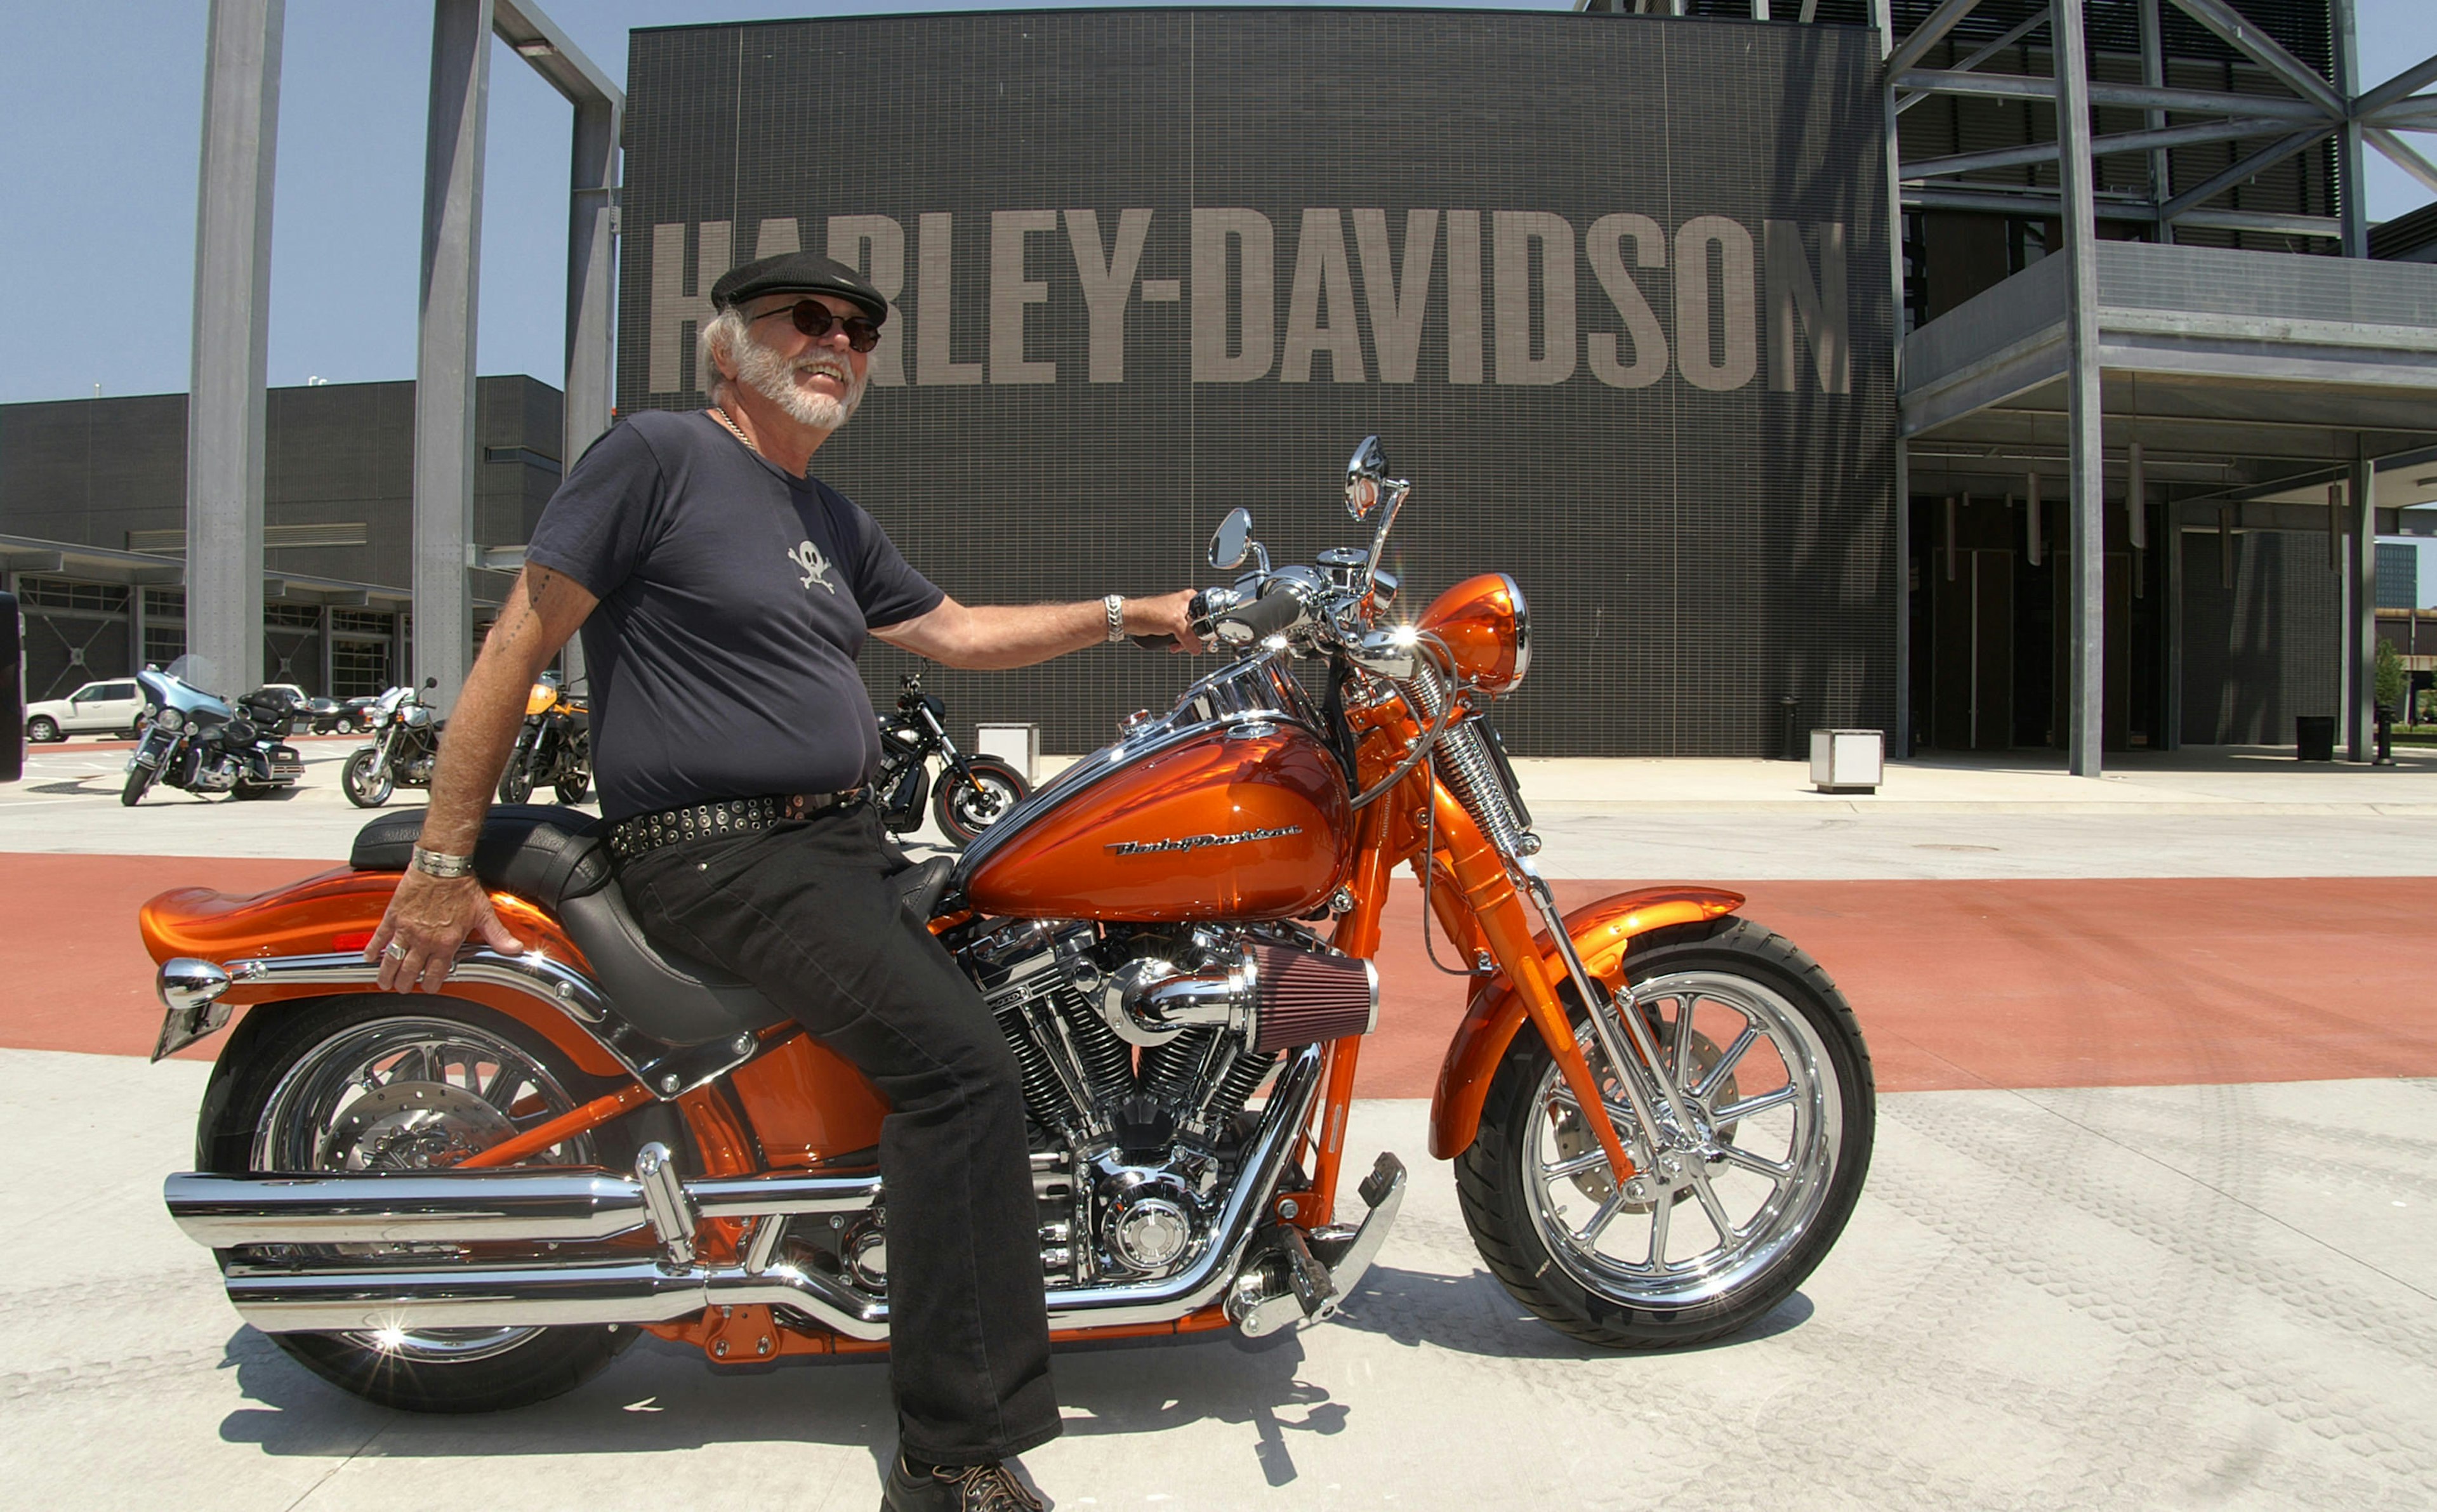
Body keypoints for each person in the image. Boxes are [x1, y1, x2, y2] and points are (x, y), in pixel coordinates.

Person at [364, 249, 1200, 1512]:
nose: (835, 340)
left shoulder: (829, 519)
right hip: (723, 852)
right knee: (961, 1071)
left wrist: (1136, 613)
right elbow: (519, 633)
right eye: (801, 318)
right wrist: (440, 854)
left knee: (1032, 956)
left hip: (839, 843)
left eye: (858, 328)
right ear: (727, 347)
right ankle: (952, 1454)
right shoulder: (655, 457)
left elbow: (959, 634)